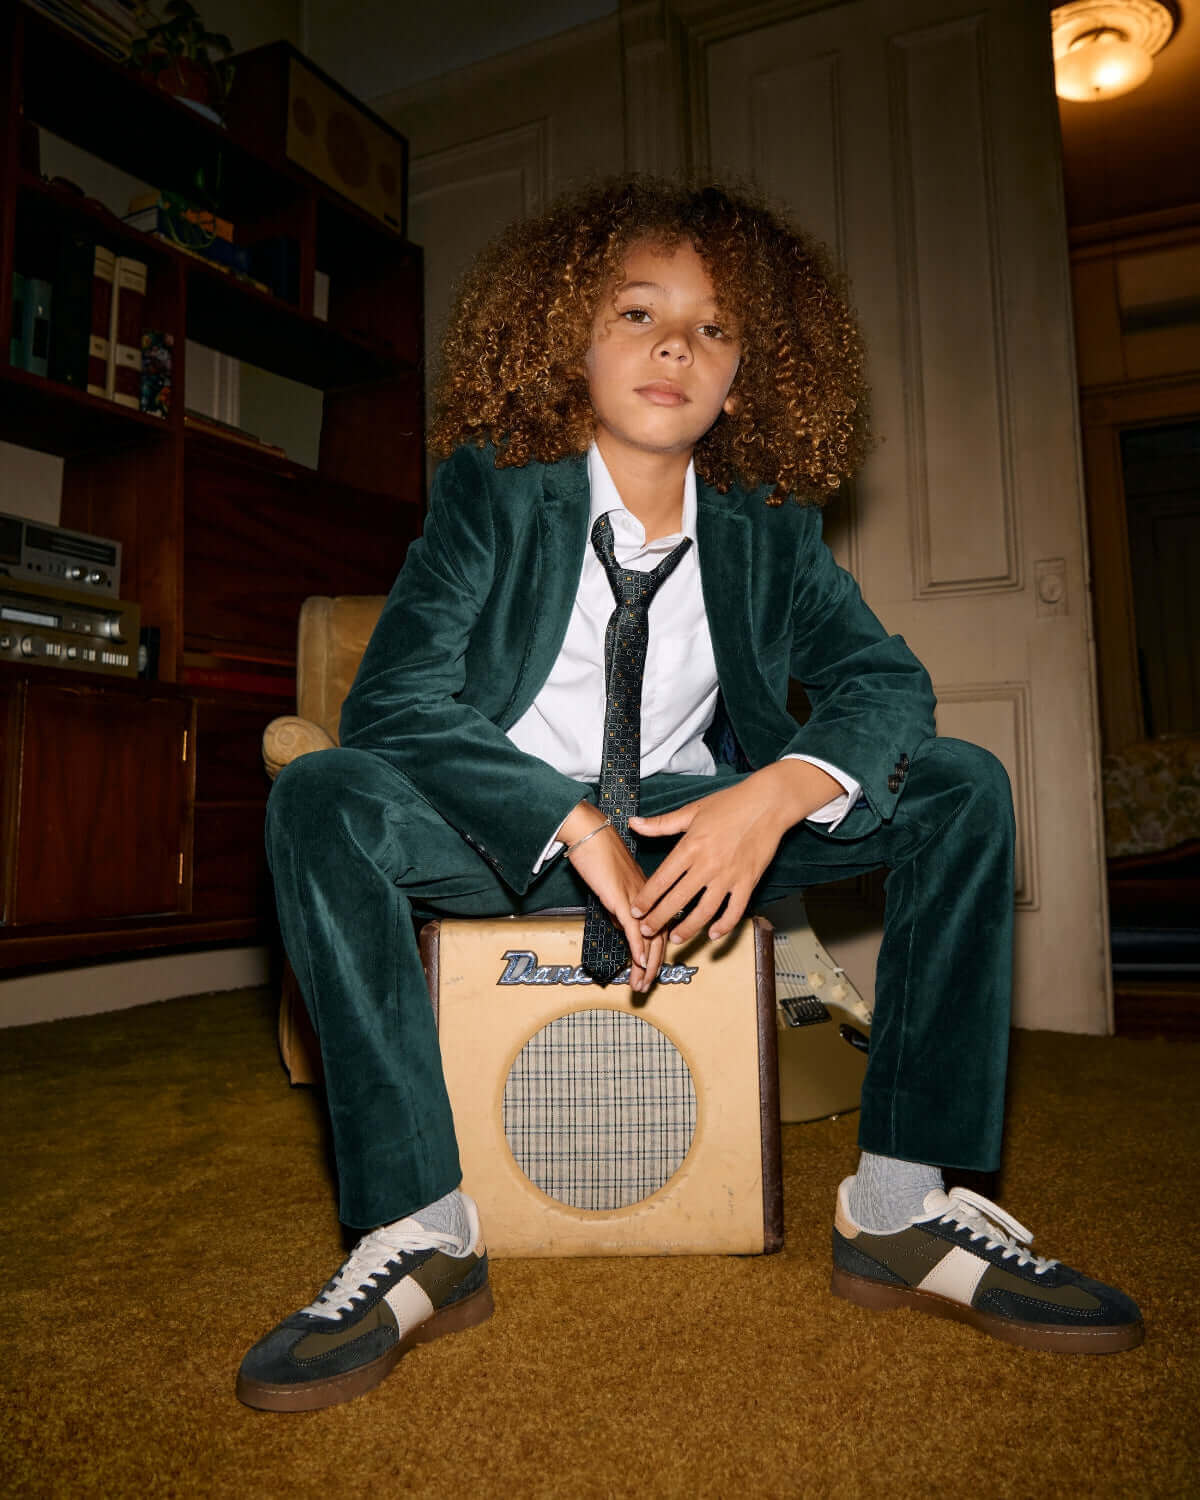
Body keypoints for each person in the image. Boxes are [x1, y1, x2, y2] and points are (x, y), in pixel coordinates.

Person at [238, 179, 1142, 1412]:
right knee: (323, 795)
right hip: (513, 823)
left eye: (714, 328)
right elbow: (396, 700)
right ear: (567, 345)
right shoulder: (493, 491)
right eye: (639, 314)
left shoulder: (771, 524)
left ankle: (904, 1203)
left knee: (962, 788)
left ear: (747, 377)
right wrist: (570, 820)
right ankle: (419, 1234)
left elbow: (884, 681)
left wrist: (773, 792)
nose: (677, 345)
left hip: (702, 820)